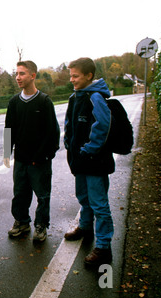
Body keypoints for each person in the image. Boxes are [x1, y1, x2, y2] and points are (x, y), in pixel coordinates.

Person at [63, 57, 114, 266]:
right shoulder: (75, 97)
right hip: (80, 160)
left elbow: (102, 125)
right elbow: (69, 124)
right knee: (83, 197)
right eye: (71, 75)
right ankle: (85, 227)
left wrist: (88, 149)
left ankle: (103, 247)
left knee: (99, 204)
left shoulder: (96, 97)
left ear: (89, 76)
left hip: (94, 160)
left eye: (75, 76)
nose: (72, 79)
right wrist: (69, 145)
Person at [3, 60, 59, 242]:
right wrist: (6, 152)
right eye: (16, 74)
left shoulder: (44, 101)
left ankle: (41, 225)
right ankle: (21, 222)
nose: (18, 77)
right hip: (21, 159)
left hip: (39, 161)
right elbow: (8, 129)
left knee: (42, 195)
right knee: (20, 193)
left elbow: (52, 133)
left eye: (22, 74)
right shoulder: (14, 102)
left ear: (32, 76)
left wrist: (43, 156)